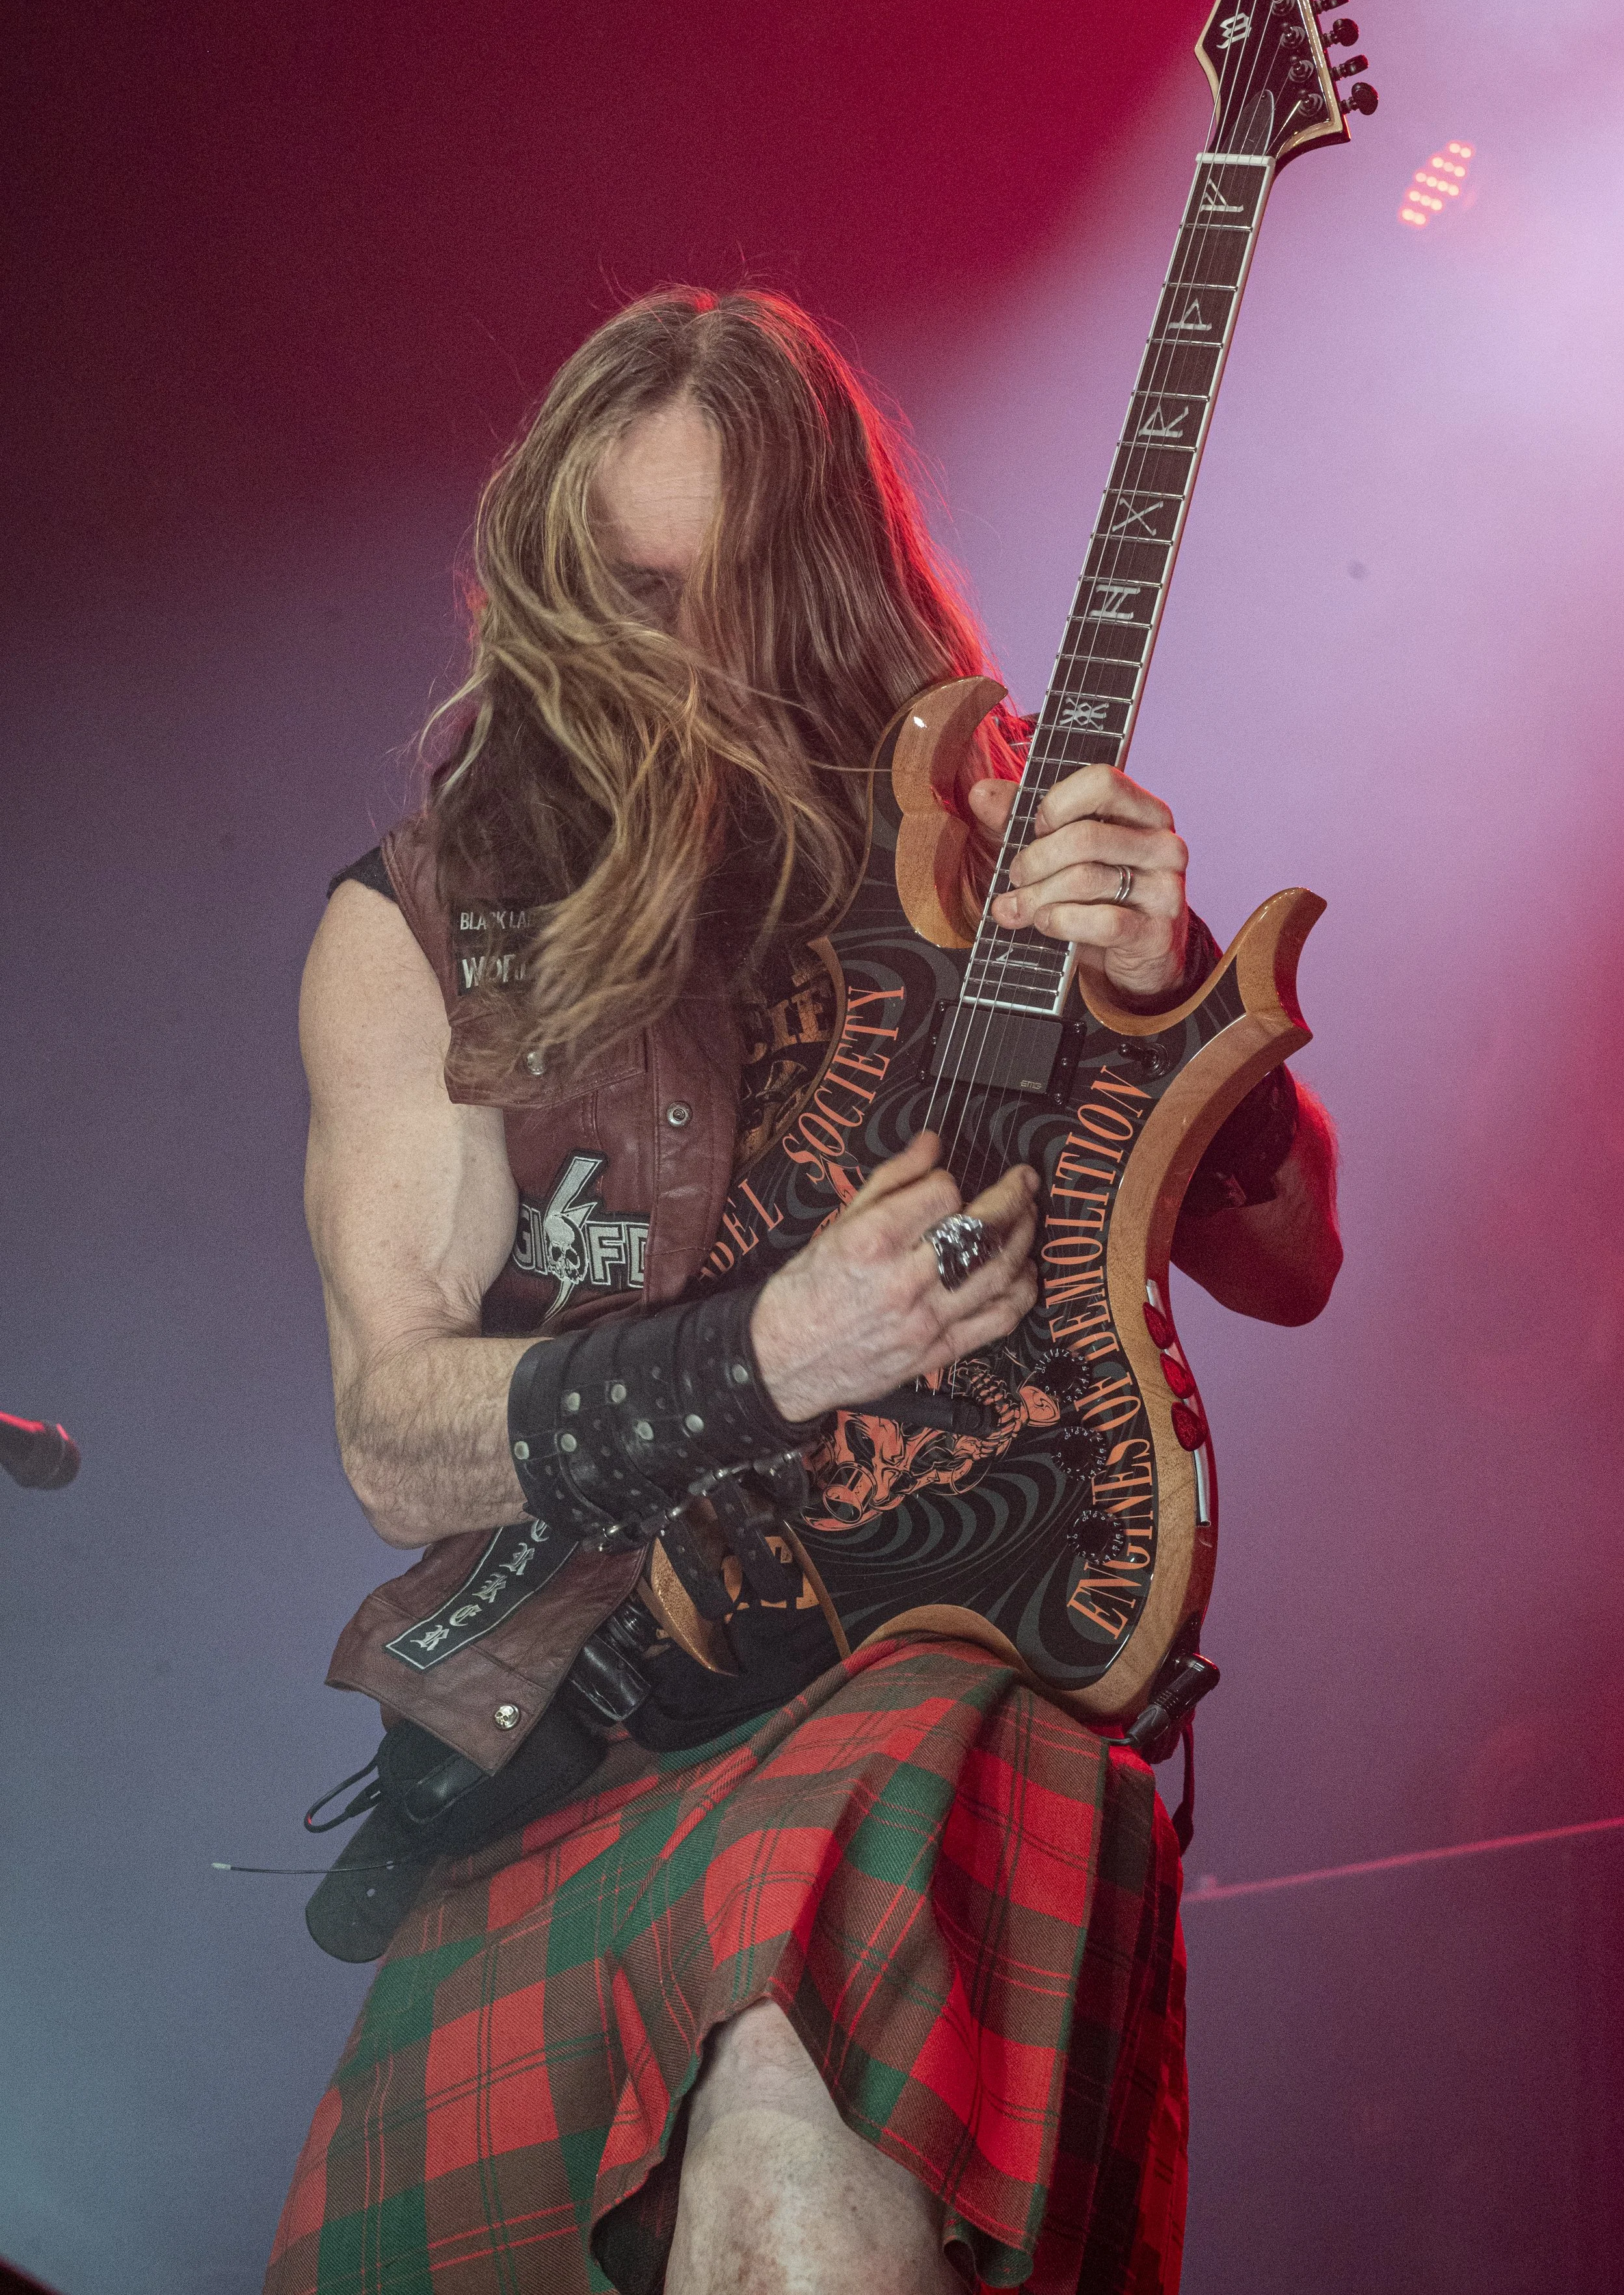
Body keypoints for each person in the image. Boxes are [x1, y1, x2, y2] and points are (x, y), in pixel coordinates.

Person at [265, 289, 1340, 2295]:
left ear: (824, 578)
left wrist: (1165, 966)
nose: (669, 651)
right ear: (543, 576)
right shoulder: (423, 921)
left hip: (933, 1686)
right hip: (574, 1732)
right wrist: (767, 1351)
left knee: (784, 2150)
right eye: (621, 590)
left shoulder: (983, 825)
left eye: (723, 593)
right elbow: (393, 1438)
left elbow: (1287, 1261)